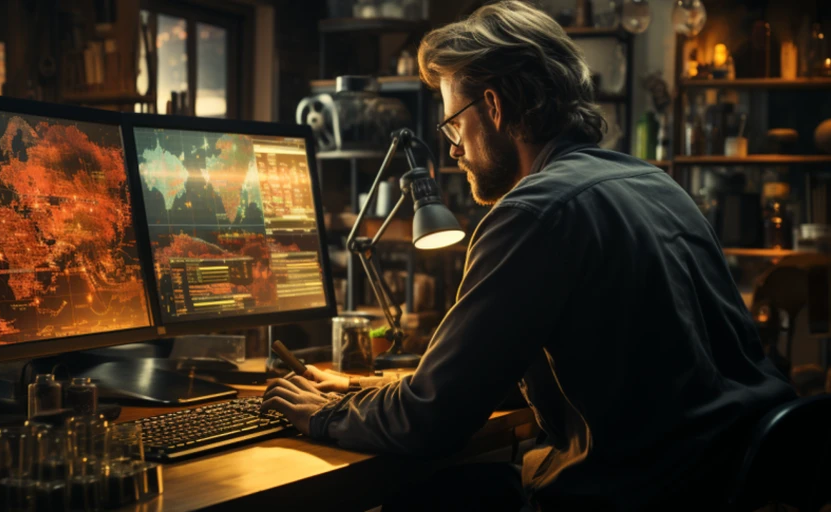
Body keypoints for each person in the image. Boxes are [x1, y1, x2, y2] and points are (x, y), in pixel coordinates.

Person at [260, 1, 796, 510]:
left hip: (633, 493)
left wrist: (330, 414)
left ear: (492, 106)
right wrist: (366, 389)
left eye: (452, 124)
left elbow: (433, 419)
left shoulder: (534, 213)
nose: (452, 148)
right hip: (720, 484)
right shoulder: (655, 184)